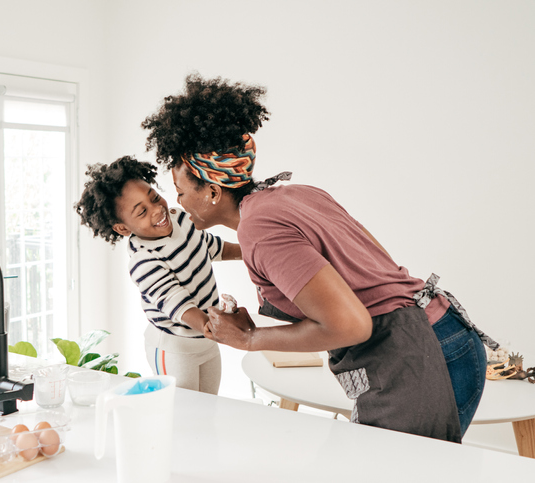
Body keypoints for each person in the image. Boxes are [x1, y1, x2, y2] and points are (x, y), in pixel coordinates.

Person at [141, 73, 495, 442]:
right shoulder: (295, 194)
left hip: (420, 353)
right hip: (439, 334)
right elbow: (380, 266)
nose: (177, 203)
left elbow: (353, 326)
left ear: (212, 191)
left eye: (180, 191)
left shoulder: (257, 228)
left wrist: (250, 339)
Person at [75, 155, 242, 394]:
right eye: (142, 212)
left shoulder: (180, 218)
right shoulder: (143, 260)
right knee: (182, 416)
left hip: (207, 338)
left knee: (208, 406)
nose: (157, 210)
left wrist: (249, 251)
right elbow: (176, 303)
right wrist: (210, 324)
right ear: (123, 228)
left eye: (154, 198)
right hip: (174, 347)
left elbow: (211, 246)